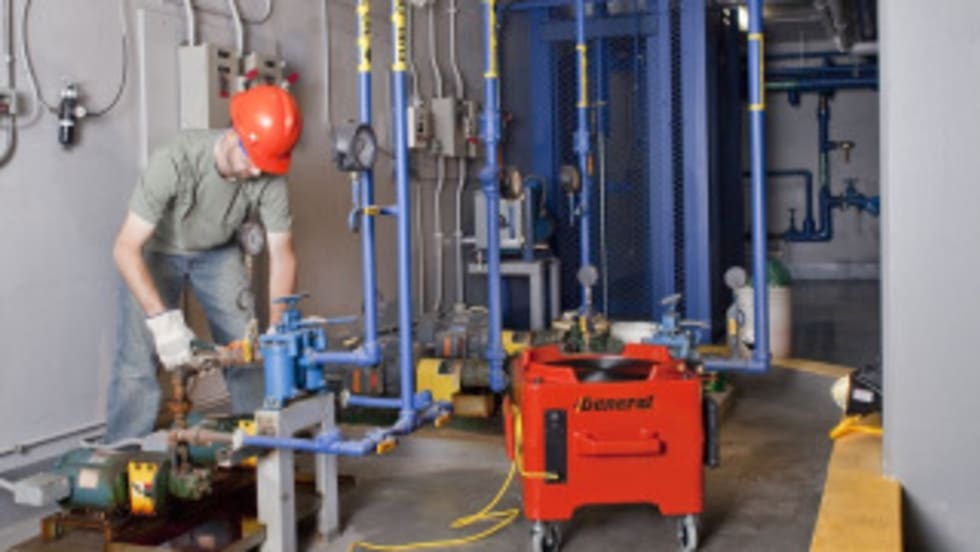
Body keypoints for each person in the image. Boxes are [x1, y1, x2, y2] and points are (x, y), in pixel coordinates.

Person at [104, 85, 302, 441]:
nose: (256, 171)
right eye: (251, 159)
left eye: (265, 164)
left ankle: (262, 442)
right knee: (137, 360)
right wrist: (162, 322)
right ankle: (123, 449)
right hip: (156, 250)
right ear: (234, 134)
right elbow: (125, 248)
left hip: (218, 252)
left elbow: (282, 254)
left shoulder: (267, 174)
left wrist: (277, 326)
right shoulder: (174, 158)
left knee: (247, 349)